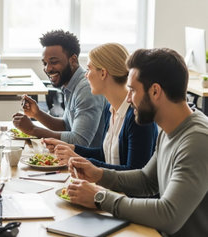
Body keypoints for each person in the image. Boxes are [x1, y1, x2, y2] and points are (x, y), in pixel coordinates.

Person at [66, 48, 208, 236]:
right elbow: (147, 180)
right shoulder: (169, 128)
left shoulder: (197, 141)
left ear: (155, 91)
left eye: (132, 90)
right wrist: (98, 174)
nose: (128, 98)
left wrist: (100, 197)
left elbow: (169, 215)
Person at [45, 43, 157, 170]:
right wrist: (72, 149)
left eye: (89, 69)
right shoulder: (109, 109)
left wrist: (77, 159)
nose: (85, 75)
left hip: (125, 190)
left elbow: (135, 173)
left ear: (103, 73)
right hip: (110, 188)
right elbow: (105, 155)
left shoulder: (137, 117)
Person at [12, 30, 106, 147]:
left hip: (89, 162)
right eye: (45, 63)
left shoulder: (86, 89)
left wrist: (32, 129)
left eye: (54, 62)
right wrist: (37, 114)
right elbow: (66, 127)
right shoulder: (70, 84)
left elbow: (79, 142)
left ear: (73, 60)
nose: (48, 69)